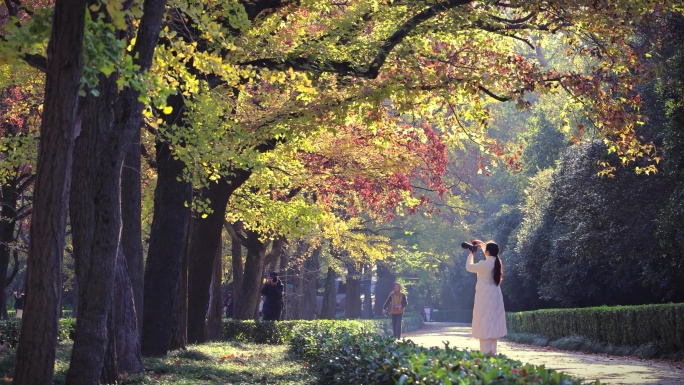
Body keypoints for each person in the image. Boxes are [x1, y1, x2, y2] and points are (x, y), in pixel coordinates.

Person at [465, 240, 507, 355]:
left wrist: (470, 255)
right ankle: (493, 356)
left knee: (484, 325)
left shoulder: (484, 264)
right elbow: (490, 253)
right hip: (496, 296)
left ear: (487, 252)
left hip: (484, 296)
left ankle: (485, 357)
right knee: (493, 326)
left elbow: (469, 267)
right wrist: (482, 244)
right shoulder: (497, 262)